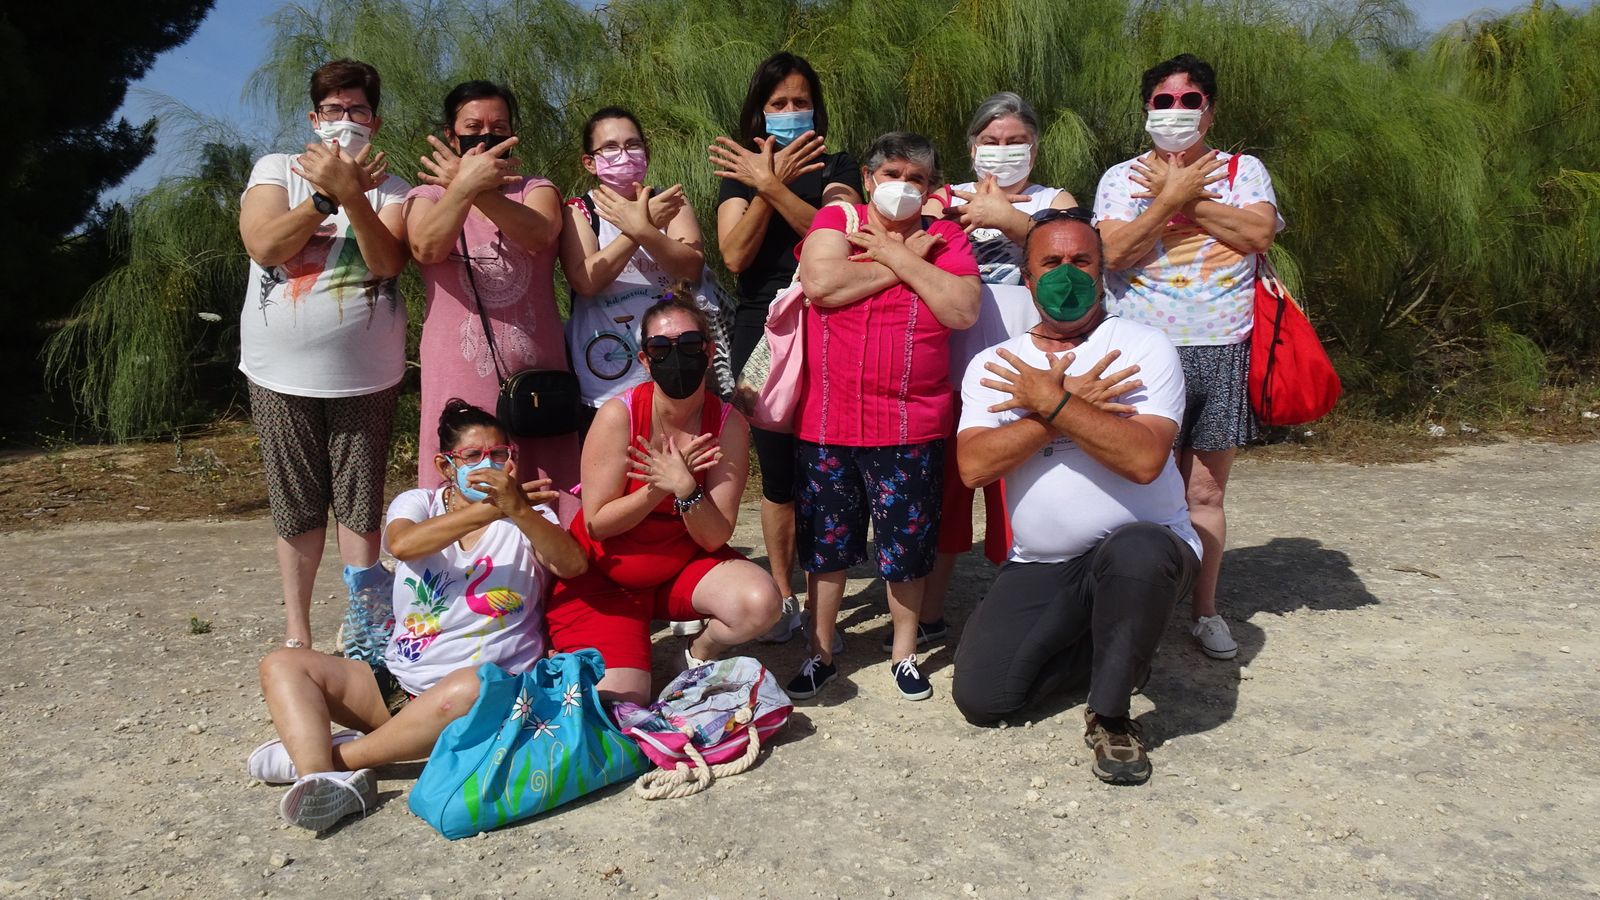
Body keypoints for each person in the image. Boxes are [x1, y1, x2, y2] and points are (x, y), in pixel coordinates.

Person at [251, 399, 587, 830]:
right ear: (446, 465)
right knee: (283, 665)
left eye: (499, 454)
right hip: (400, 684)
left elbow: (572, 565)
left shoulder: (530, 515)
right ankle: (327, 780)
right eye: (473, 456)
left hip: (479, 696)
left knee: (473, 683)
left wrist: (518, 511)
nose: (488, 464)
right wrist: (489, 509)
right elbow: (403, 546)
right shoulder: (419, 502)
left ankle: (327, 761)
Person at [951, 209, 1201, 785]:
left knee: (1137, 551)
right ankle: (1112, 637)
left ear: (1103, 268)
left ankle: (1112, 715)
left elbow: (1143, 461)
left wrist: (1054, 403)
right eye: (1052, 262)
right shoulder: (996, 365)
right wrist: (1054, 411)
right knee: (984, 699)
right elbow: (973, 467)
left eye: (1082, 261)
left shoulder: (1143, 347)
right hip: (1044, 564)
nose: (1068, 275)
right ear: (1028, 275)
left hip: (1146, 550)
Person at [1093, 54, 1283, 661]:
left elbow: (1257, 235)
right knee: (1136, 486)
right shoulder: (1120, 177)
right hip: (1143, 354)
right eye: (1164, 101)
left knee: (1204, 494)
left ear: (1210, 109)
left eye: (1189, 100)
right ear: (1147, 108)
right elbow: (1114, 252)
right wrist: (1164, 201)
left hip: (1221, 349)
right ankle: (1128, 609)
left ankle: (1203, 611)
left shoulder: (1242, 170)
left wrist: (1183, 197)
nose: (1176, 111)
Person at [786, 132, 980, 702]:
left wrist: (893, 254)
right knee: (825, 546)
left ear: (931, 187)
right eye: (893, 173)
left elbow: (962, 308)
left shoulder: (943, 235)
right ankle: (819, 652)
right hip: (828, 423)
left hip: (911, 425)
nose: (904, 187)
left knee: (908, 546)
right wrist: (908, 265)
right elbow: (822, 285)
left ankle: (903, 652)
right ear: (869, 179)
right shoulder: (836, 220)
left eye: (917, 179)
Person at [237, 58, 409, 650]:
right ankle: (298, 631)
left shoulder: (393, 188)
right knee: (296, 503)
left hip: (367, 373)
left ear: (375, 122)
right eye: (333, 111)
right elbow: (263, 244)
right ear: (314, 119)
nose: (344, 121)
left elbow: (388, 262)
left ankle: (366, 628)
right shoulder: (275, 170)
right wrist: (322, 198)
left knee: (361, 501)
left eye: (356, 110)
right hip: (279, 372)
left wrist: (353, 197)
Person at [545, 298, 782, 705]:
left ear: (709, 352)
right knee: (624, 700)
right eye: (661, 347)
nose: (677, 355)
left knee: (761, 603)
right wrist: (659, 487)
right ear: (644, 357)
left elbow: (714, 537)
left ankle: (696, 655)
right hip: (606, 577)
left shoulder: (728, 425)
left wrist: (687, 488)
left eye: (690, 343)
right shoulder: (618, 416)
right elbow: (598, 523)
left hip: (678, 569)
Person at [918, 91, 1082, 649]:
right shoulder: (943, 196)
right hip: (951, 367)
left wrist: (1008, 219)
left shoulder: (1055, 199)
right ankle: (931, 613)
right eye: (991, 141)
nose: (1003, 150)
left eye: (1016, 141)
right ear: (972, 147)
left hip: (1029, 370)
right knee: (949, 494)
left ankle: (1030, 611)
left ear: (1035, 149)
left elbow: (1073, 255)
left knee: (1029, 495)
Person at [709, 52, 863, 643]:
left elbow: (839, 232)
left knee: (827, 461)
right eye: (779, 105)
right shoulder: (736, 174)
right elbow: (734, 256)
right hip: (759, 325)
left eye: (801, 103)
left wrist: (771, 184)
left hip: (828, 314)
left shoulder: (839, 163)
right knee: (775, 466)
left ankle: (829, 585)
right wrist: (761, 183)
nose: (791, 113)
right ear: (760, 113)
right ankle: (783, 589)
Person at [403, 80, 579, 520]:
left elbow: (539, 234)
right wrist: (462, 189)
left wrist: (477, 187)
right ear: (450, 135)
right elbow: (426, 247)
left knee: (550, 486)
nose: (485, 135)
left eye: (498, 126)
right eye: (473, 126)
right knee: (467, 474)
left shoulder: (535, 189)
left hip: (537, 378)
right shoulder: (427, 196)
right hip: (458, 370)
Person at [560, 106, 712, 436]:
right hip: (603, 385)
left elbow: (690, 267)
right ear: (590, 162)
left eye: (633, 144)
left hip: (675, 366)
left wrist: (644, 229)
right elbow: (586, 280)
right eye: (610, 147)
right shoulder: (580, 211)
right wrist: (641, 228)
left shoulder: (671, 203)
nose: (624, 154)